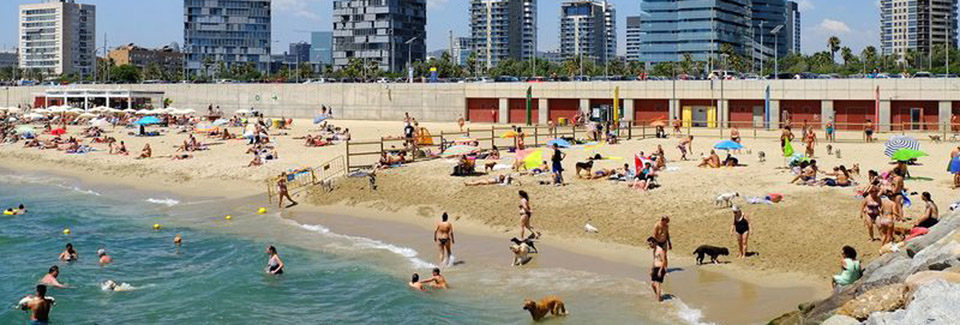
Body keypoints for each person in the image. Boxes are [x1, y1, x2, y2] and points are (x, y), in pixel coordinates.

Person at [647, 236, 668, 302]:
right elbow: (654, 260)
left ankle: (658, 299)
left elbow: (664, 261)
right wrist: (652, 269)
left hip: (660, 268)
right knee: (653, 284)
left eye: (650, 244)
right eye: (649, 244)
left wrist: (660, 270)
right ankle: (659, 296)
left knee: (657, 284)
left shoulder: (660, 250)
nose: (650, 245)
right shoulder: (654, 251)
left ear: (655, 243)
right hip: (655, 268)